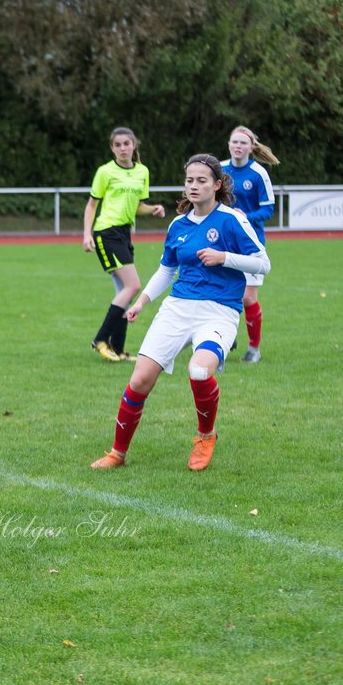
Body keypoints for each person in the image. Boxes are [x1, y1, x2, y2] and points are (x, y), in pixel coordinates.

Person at [91, 155, 270, 472]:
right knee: (139, 381)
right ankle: (117, 453)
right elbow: (166, 270)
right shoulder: (178, 225)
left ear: (216, 185)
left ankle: (205, 436)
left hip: (219, 311)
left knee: (200, 371)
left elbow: (262, 263)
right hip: (177, 308)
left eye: (202, 180)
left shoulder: (231, 220)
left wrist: (224, 257)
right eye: (190, 180)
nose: (194, 186)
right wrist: (141, 301)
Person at [82, 127, 166, 362]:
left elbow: (138, 205)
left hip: (124, 235)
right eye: (117, 145)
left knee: (124, 292)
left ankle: (118, 349)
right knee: (133, 285)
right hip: (106, 233)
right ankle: (100, 339)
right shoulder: (105, 172)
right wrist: (87, 234)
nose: (122, 148)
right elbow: (91, 205)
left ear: (134, 145)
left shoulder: (142, 172)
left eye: (126, 144)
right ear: (112, 148)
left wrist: (153, 209)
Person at [222, 125, 279, 364]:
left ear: (251, 147)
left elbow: (268, 209)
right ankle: (223, 341)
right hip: (223, 240)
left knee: (247, 298)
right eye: (234, 142)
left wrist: (244, 216)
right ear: (229, 144)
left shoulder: (258, 173)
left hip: (250, 242)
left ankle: (254, 348)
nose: (238, 146)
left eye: (243, 143)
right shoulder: (220, 169)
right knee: (222, 293)